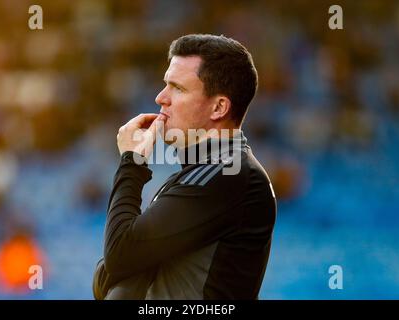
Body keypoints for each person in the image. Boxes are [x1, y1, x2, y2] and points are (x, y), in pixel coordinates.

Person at [93, 34, 276, 300]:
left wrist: (132, 162)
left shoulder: (228, 173)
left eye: (177, 88)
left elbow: (118, 258)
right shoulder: (202, 172)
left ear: (219, 107)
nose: (160, 98)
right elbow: (108, 274)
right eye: (165, 84)